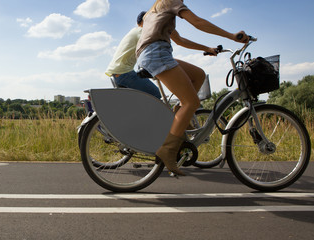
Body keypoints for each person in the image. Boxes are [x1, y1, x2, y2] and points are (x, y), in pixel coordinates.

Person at [136, 0, 248, 175]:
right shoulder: (170, 2)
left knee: (198, 75)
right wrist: (232, 36)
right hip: (156, 52)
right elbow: (198, 22)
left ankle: (179, 114)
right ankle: (168, 150)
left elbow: (179, 40)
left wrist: (207, 48)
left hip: (154, 52)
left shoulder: (156, 9)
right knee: (192, 102)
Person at [105, 11, 161, 99]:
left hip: (119, 73)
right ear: (145, 21)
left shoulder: (134, 31)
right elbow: (152, 52)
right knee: (155, 94)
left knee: (142, 97)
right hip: (124, 73)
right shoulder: (141, 31)